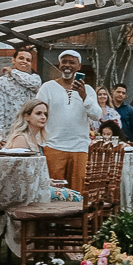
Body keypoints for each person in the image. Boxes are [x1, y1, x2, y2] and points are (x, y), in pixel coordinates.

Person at [37, 51, 100, 192]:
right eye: (64, 61)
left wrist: (83, 96)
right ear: (59, 65)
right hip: (53, 146)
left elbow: (96, 115)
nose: (67, 65)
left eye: (72, 62)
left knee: (78, 191)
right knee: (54, 191)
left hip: (80, 148)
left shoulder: (88, 90)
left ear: (79, 66)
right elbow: (38, 114)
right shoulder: (47, 87)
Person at [0, 45, 41, 137]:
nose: (24, 61)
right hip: (9, 132)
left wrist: (13, 72)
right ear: (13, 60)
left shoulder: (35, 79)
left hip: (30, 131)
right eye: (21, 58)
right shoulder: (1, 81)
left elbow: (33, 84)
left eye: (28, 60)